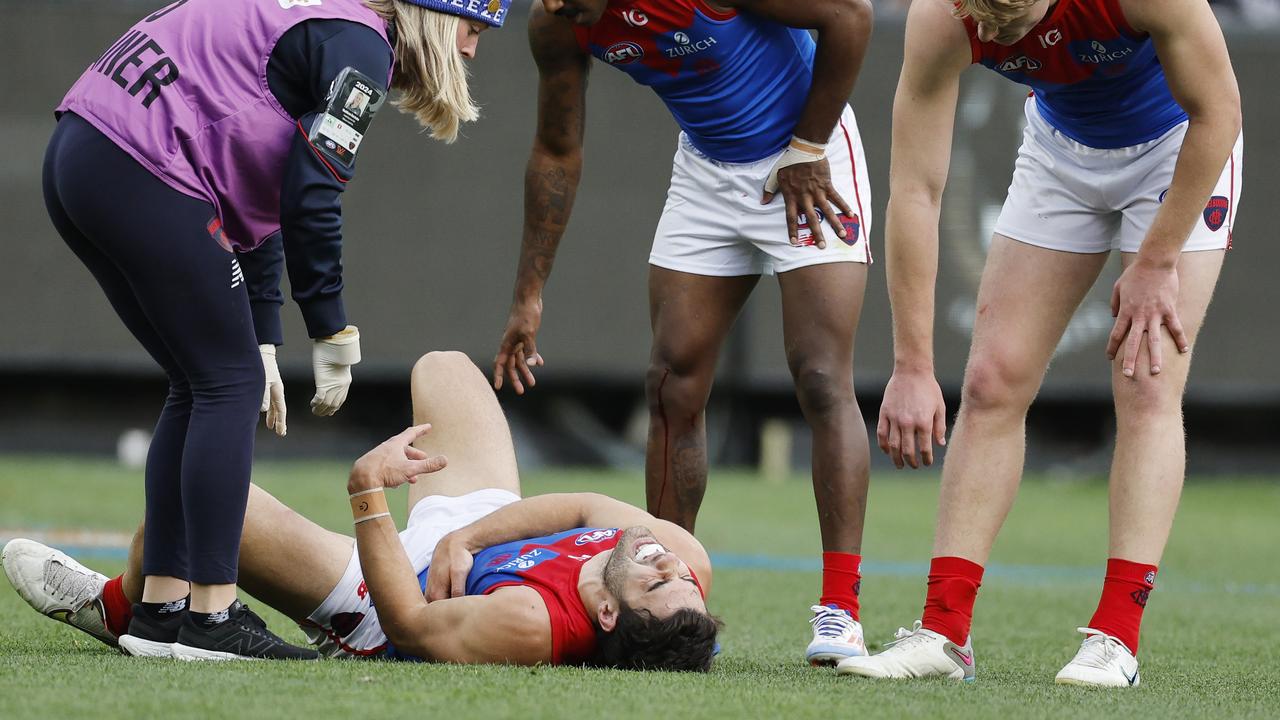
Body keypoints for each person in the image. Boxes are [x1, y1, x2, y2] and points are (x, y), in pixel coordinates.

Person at [41, 0, 510, 660]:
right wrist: (331, 328)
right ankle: (211, 617)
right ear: (434, 11)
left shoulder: (321, 21)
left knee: (201, 380)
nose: (469, 51)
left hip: (83, 151)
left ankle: (160, 613)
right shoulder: (361, 46)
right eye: (473, 27)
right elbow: (310, 194)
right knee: (226, 384)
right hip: (137, 162)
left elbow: (252, 189)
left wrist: (262, 330)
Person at [839, 0, 1242, 686]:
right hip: (1062, 152)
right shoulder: (944, 15)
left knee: (1146, 380)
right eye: (982, 13)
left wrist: (1156, 260)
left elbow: (1219, 111)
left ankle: (1116, 637)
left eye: (1010, 13)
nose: (995, 32)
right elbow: (915, 190)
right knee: (993, 382)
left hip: (1178, 148)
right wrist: (911, 362)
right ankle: (943, 633)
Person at [491, 0, 876, 665]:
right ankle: (674, 593)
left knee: (819, 376)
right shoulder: (559, 22)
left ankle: (840, 609)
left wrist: (808, 149)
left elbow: (851, 16)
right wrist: (529, 294)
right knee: (671, 383)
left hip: (806, 156)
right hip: (707, 171)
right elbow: (557, 149)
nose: (550, 4)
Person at [2, 352, 720, 670]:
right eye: (676, 573)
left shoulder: (529, 624)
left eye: (655, 580)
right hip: (472, 547)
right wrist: (465, 535)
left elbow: (410, 622)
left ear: (605, 617)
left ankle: (117, 606)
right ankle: (133, 602)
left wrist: (367, 494)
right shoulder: (687, 569)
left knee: (196, 514)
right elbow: (588, 503)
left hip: (396, 595)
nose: (665, 560)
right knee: (445, 368)